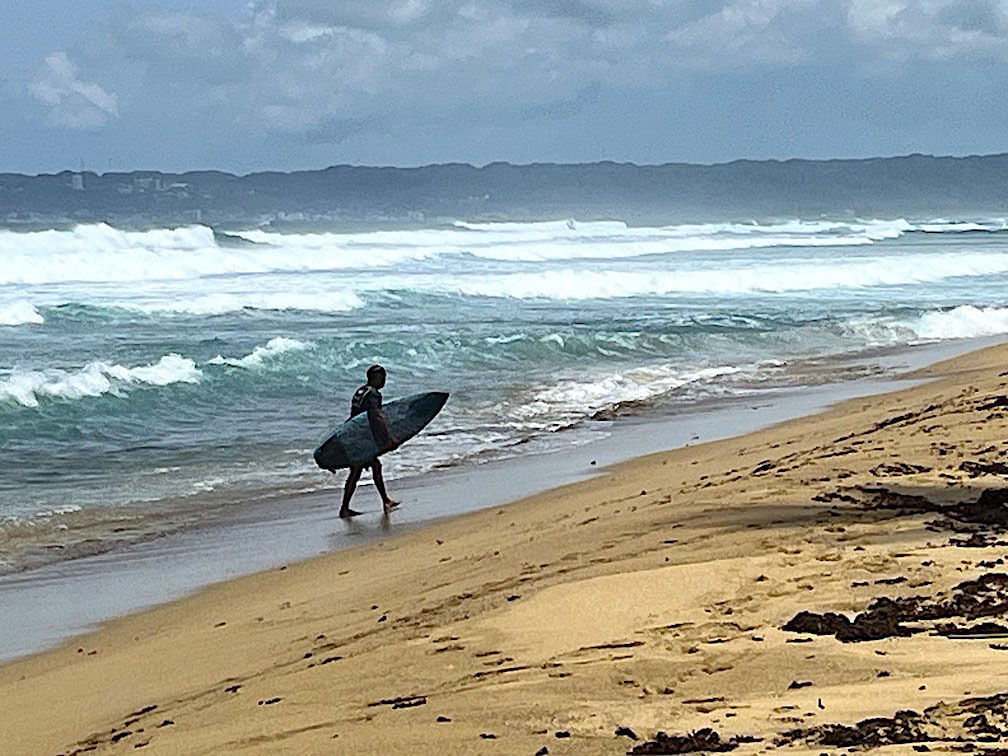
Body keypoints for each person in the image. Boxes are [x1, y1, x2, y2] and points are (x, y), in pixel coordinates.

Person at [340, 364, 400, 518]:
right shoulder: (373, 394)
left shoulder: (361, 392)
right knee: (362, 469)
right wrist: (388, 439)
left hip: (355, 436)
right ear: (376, 378)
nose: (384, 381)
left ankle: (383, 501)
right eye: (383, 377)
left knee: (359, 470)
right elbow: (376, 418)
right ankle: (346, 508)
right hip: (362, 439)